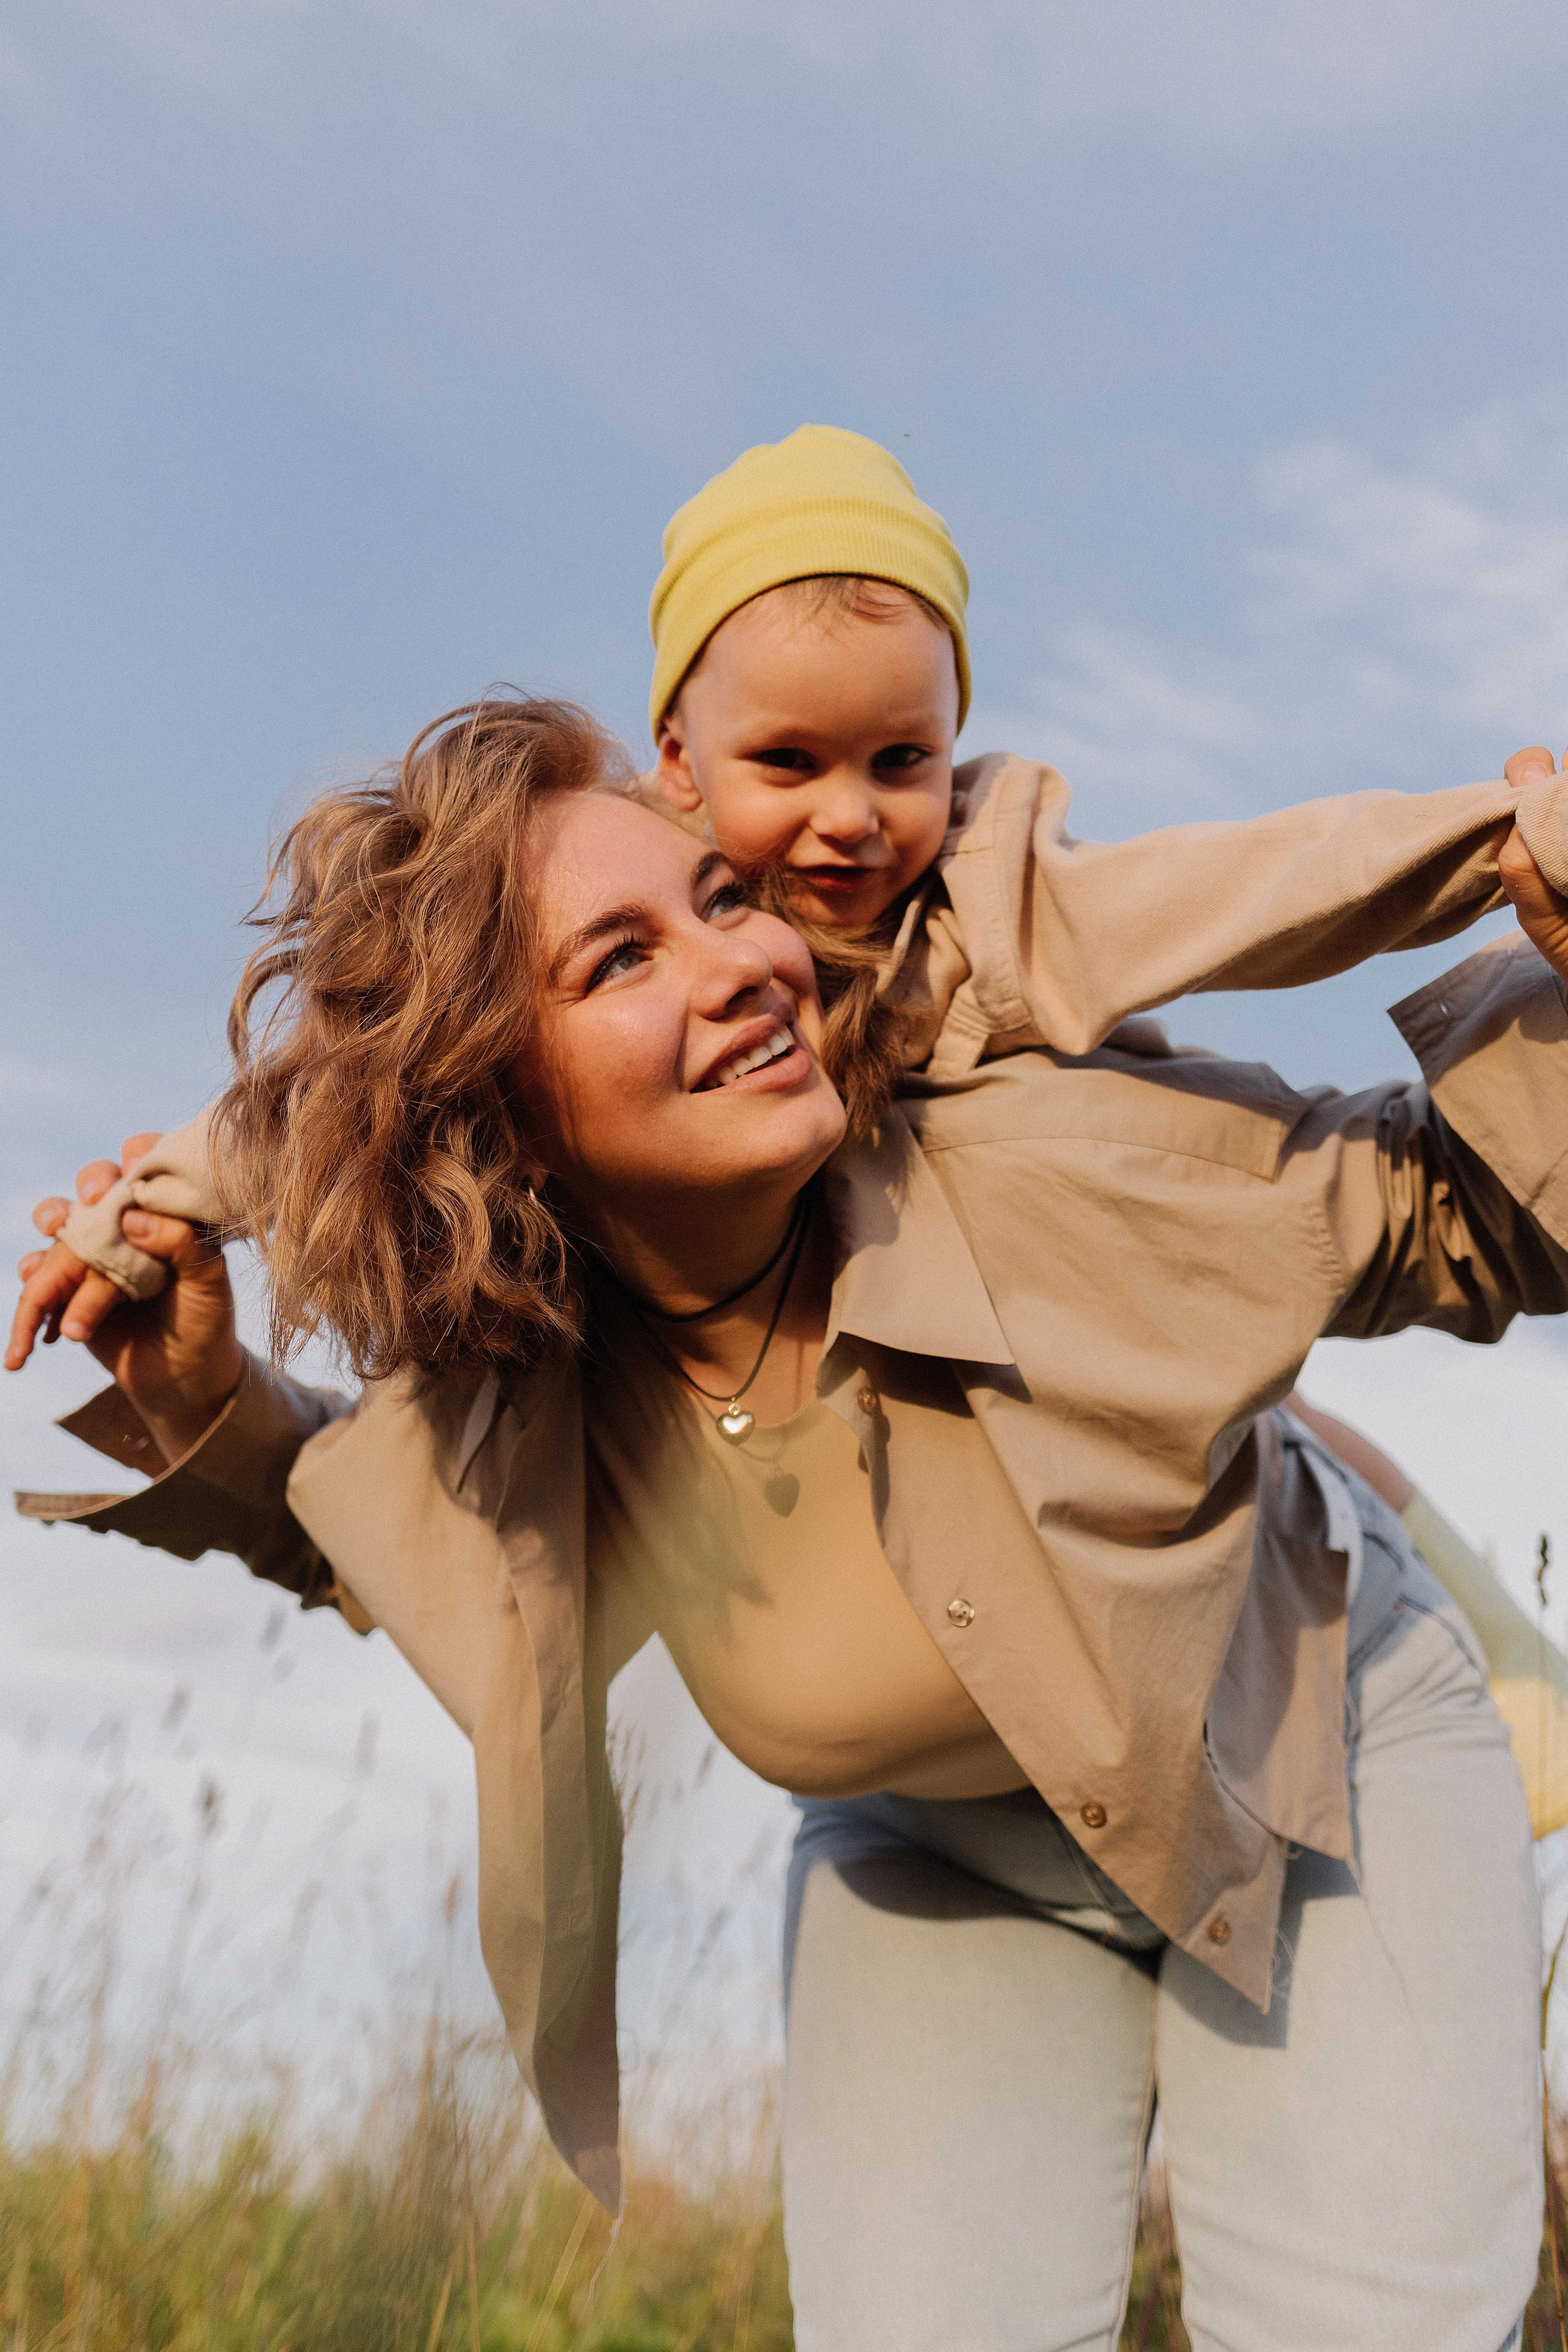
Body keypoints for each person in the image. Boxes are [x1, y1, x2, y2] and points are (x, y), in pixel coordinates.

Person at [11, 696, 1568, 2350]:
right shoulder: (533, 1384)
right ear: (499, 1116)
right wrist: (197, 1395)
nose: (742, 964)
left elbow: (1464, 1220)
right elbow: (384, 1555)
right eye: (617, 961)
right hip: (937, 1859)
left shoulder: (1038, 1162)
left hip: (1306, 1760)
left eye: (722, 900)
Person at [26, 424, 1568, 1828]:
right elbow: (324, 1115)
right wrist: (152, 1213)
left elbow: (1254, 888)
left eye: (902, 761)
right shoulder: (557, 1190)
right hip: (941, 1827)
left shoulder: (993, 918)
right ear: (681, 767)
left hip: (1151, 1381)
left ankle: (1440, 1609)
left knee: (1232, 1398)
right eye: (789, 766)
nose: (849, 822)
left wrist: (1489, 844)